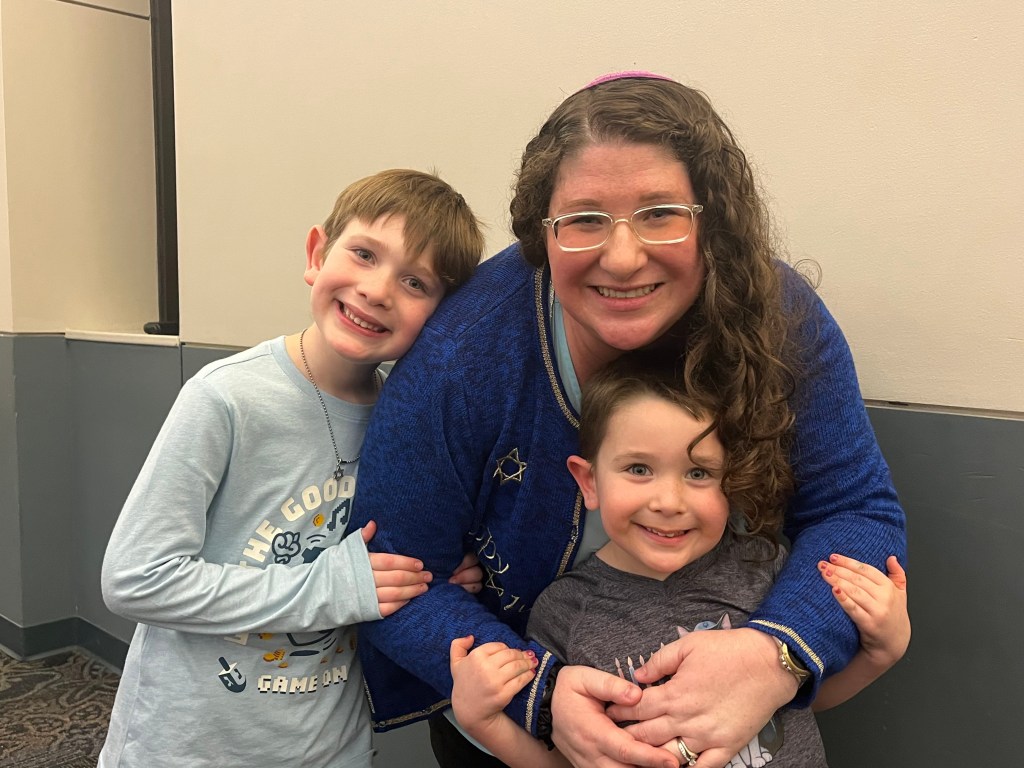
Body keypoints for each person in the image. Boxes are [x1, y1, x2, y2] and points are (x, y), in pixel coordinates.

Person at [350, 72, 907, 768]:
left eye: (660, 213)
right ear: (541, 232)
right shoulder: (461, 357)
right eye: (583, 219)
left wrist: (780, 652)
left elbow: (854, 511)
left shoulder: (778, 319)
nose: (621, 257)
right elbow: (391, 578)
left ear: (712, 220)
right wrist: (539, 697)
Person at [98, 169, 485, 768]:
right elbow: (136, 578)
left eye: (415, 282)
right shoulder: (226, 398)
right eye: (364, 254)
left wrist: (433, 577)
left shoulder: (411, 422)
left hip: (329, 745)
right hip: (190, 746)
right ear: (316, 254)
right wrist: (331, 588)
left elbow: (376, 571)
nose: (378, 290)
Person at [447, 355, 911, 768]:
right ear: (588, 482)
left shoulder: (766, 567)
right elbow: (569, 758)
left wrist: (881, 653)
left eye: (698, 472)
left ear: (734, 478)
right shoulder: (563, 612)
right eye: (639, 469)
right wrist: (482, 719)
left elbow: (800, 700)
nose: (669, 502)